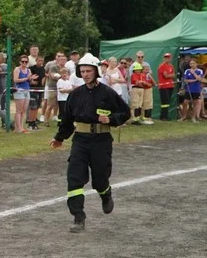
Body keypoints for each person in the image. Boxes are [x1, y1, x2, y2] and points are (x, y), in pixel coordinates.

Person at [51, 54, 130, 233]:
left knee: (100, 179)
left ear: (96, 71)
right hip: (80, 140)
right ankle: (78, 217)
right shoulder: (76, 95)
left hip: (101, 141)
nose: (85, 74)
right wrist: (59, 137)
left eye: (88, 71)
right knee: (74, 178)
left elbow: (125, 113)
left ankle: (105, 193)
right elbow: (67, 119)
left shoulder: (108, 93)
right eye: (82, 71)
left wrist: (110, 118)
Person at [12, 56, 32, 133]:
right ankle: (18, 127)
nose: (24, 63)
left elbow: (29, 81)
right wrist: (26, 78)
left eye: (26, 62)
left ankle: (21, 126)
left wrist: (30, 79)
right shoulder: (17, 69)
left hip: (27, 90)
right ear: (20, 62)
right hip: (19, 90)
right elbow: (16, 80)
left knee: (24, 110)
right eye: (23, 61)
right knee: (19, 110)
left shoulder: (28, 70)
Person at [157, 52, 177, 121]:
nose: (167, 59)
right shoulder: (162, 66)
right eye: (166, 57)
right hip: (163, 86)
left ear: (170, 58)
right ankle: (163, 116)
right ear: (164, 58)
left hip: (170, 85)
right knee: (164, 102)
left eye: (168, 57)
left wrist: (170, 75)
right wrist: (170, 75)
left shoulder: (171, 66)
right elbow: (166, 76)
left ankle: (165, 115)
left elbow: (174, 75)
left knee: (167, 101)